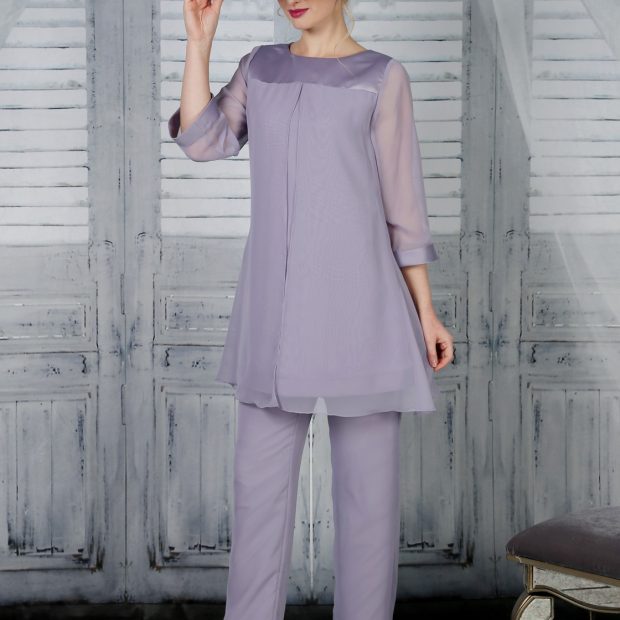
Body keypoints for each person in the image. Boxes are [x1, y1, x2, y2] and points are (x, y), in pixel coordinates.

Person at [168, 0, 455, 618]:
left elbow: (404, 210)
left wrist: (426, 313)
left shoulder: (382, 76)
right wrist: (199, 42)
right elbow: (201, 139)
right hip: (273, 321)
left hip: (364, 314)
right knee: (257, 505)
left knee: (368, 511)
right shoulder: (260, 67)